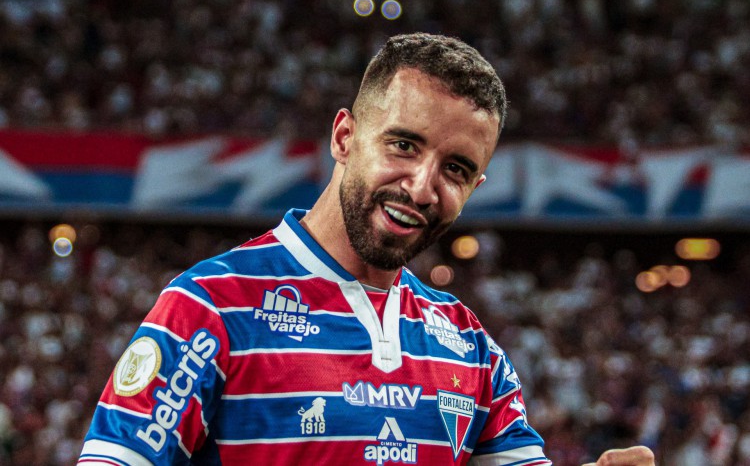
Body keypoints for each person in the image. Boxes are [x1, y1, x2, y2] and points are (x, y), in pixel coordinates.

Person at [78, 33, 655, 465]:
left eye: (455, 170)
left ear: (475, 188)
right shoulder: (209, 308)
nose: (422, 187)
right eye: (404, 145)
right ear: (345, 137)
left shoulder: (472, 350)